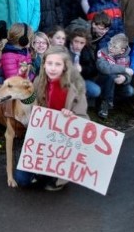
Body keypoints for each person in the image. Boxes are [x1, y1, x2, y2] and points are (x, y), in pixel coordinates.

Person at [14, 46, 87, 190]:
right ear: (44, 64)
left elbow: (83, 118)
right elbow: (27, 104)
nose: (53, 68)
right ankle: (42, 171)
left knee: (50, 181)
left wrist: (72, 117)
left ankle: (56, 175)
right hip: (42, 137)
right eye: (49, 63)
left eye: (58, 64)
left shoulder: (75, 87)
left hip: (63, 139)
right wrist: (21, 81)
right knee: (21, 180)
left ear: (65, 66)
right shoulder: (38, 82)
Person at [95, 33, 134, 119]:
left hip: (117, 84)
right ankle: (105, 103)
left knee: (130, 91)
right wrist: (123, 69)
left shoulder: (126, 58)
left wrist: (124, 78)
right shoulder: (102, 52)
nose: (110, 48)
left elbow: (129, 74)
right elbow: (104, 68)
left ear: (122, 51)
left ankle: (113, 101)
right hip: (102, 82)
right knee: (111, 76)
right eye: (110, 44)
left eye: (115, 47)